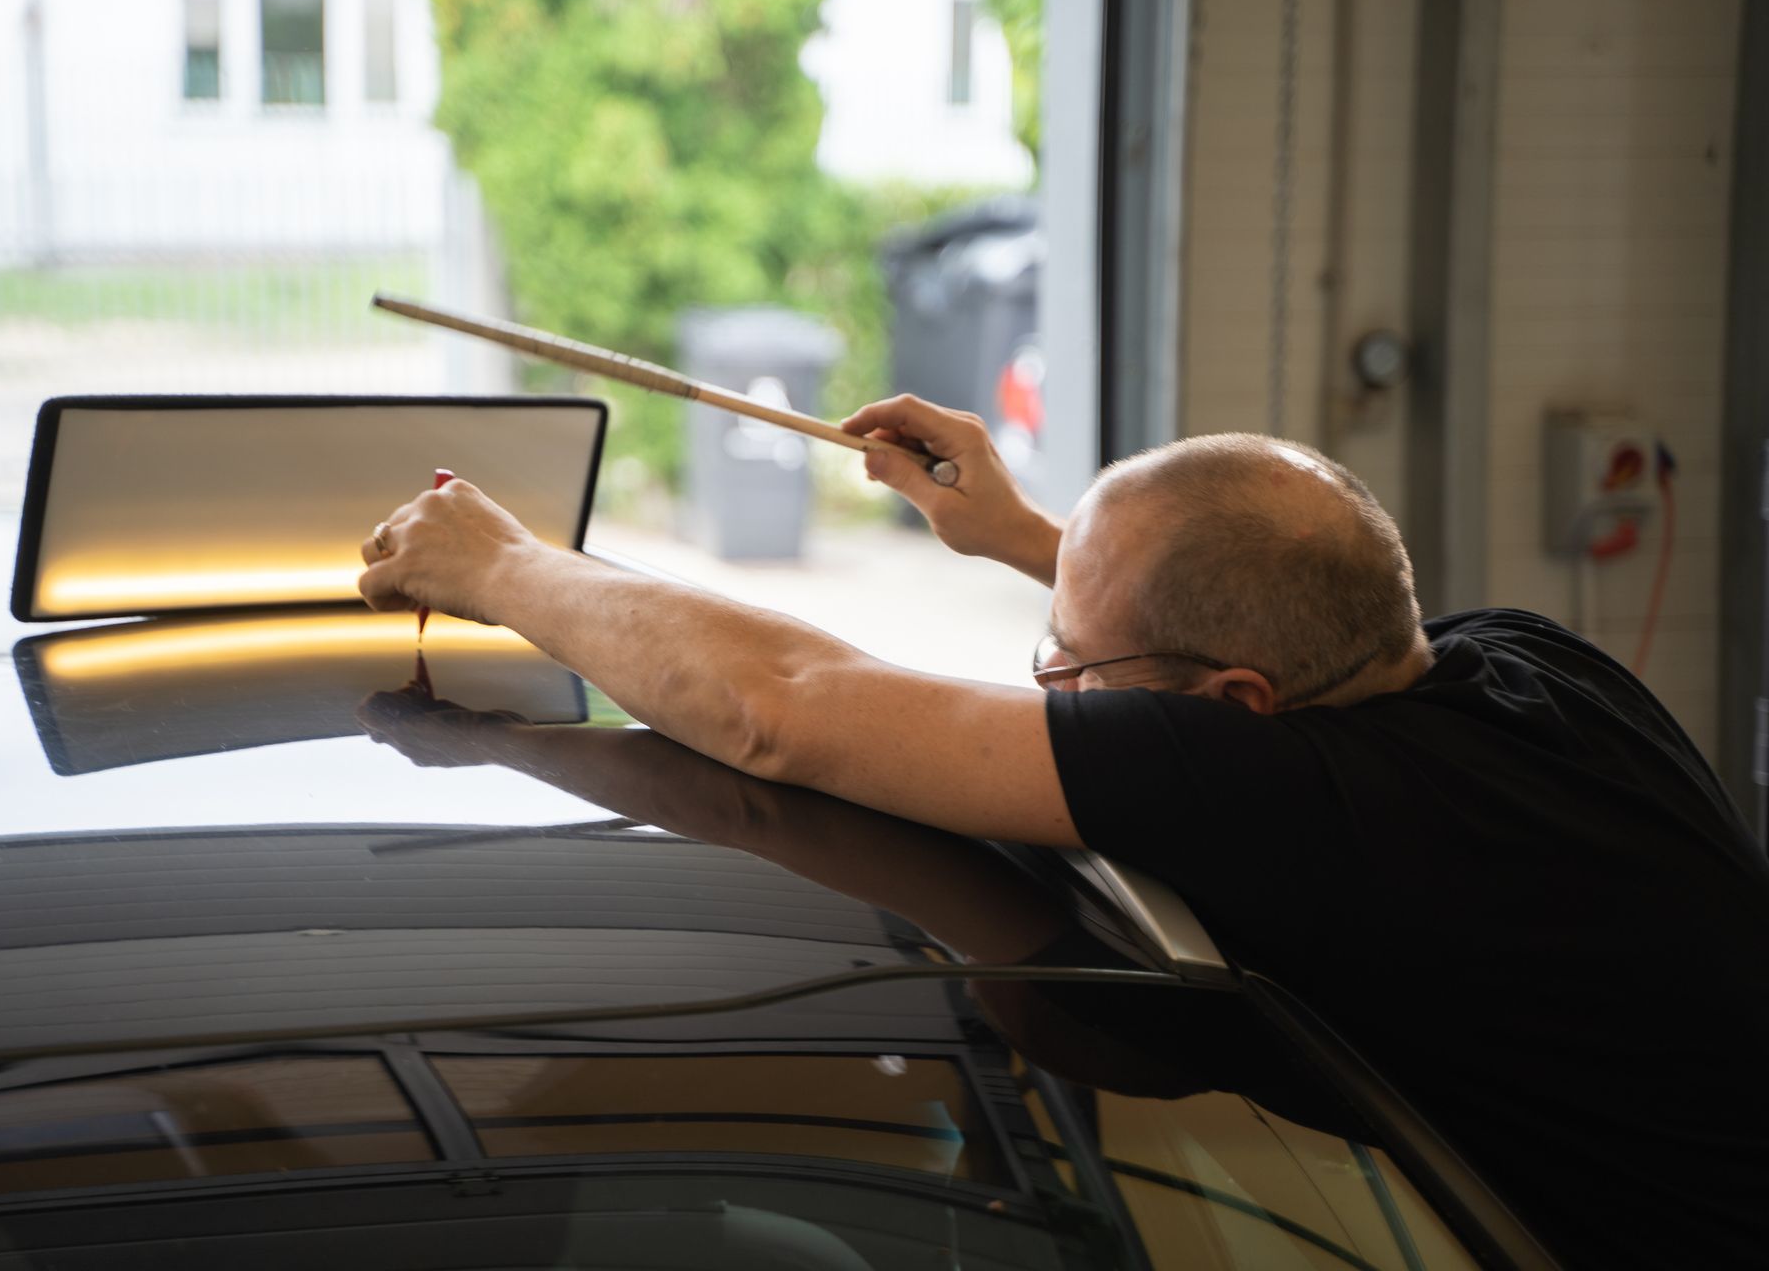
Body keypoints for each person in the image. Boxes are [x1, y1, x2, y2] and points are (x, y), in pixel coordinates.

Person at [360, 393, 1769, 1267]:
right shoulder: (1524, 665)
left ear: (1232, 708)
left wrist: (505, 563)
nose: (1047, 680)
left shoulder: (1309, 810)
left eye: (1069, 659)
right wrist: (1039, 537)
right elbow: (1276, 603)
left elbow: (782, 713)